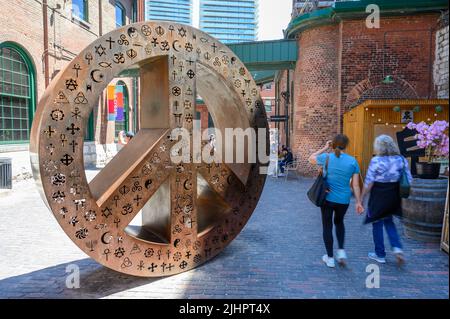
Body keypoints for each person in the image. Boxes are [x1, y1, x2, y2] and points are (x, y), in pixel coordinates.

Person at [308, 134, 363, 268]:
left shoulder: (326, 157)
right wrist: (359, 202)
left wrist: (324, 148)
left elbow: (310, 158)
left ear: (333, 145)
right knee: (339, 223)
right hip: (344, 200)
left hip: (327, 198)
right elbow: (355, 185)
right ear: (346, 145)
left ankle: (330, 258)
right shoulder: (352, 161)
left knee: (327, 226)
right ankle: (341, 252)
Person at [360, 135, 412, 265]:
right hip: (394, 195)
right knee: (389, 222)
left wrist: (361, 198)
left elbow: (369, 182)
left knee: (377, 223)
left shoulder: (376, 160)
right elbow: (409, 180)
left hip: (378, 195)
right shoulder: (401, 159)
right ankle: (397, 248)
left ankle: (380, 254)